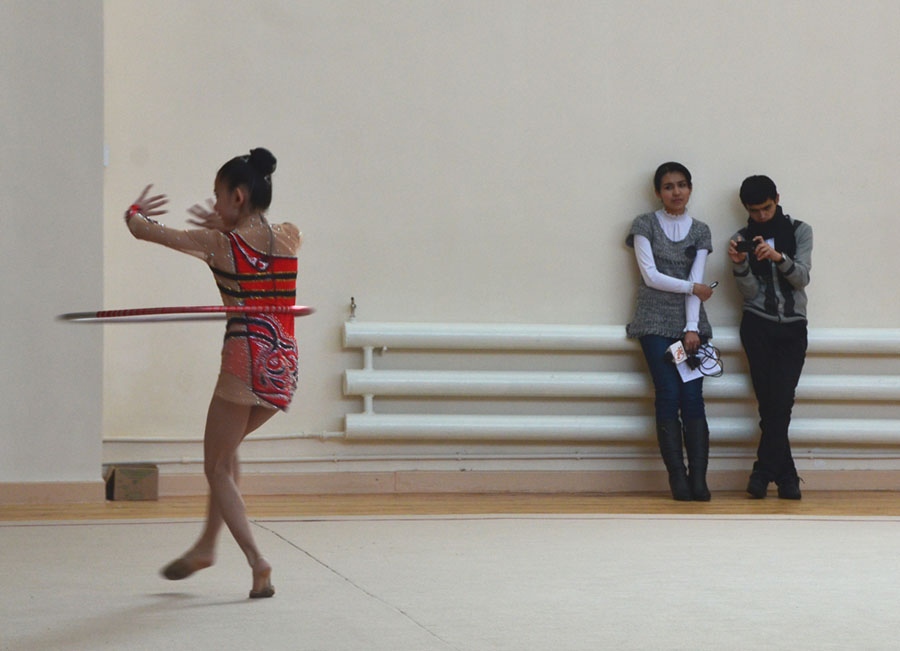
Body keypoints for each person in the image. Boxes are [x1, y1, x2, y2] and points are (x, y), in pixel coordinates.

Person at [124, 147, 301, 597]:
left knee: (216, 467)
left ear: (238, 196)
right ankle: (206, 545)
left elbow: (146, 232)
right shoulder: (290, 236)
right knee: (228, 455)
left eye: (219, 195)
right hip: (283, 366)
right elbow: (260, 246)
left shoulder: (219, 245)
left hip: (243, 360)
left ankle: (257, 561)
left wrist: (134, 211)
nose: (215, 203)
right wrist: (226, 222)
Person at [626, 162, 716, 501]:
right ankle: (677, 477)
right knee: (667, 393)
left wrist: (692, 328)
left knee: (693, 398)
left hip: (691, 327)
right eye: (668, 186)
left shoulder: (701, 231)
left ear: (690, 188)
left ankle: (699, 479)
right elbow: (651, 277)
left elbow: (698, 278)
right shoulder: (644, 224)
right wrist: (694, 288)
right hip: (652, 323)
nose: (675, 192)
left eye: (681, 185)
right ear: (658, 191)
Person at [728, 175, 812, 500]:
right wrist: (740, 265)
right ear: (746, 209)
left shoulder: (800, 230)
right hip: (757, 326)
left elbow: (803, 278)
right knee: (770, 405)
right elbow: (748, 293)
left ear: (777, 198)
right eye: (754, 210)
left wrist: (778, 258)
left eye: (766, 208)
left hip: (793, 327)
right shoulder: (741, 238)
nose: (762, 215)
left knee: (781, 403)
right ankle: (787, 476)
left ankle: (763, 472)